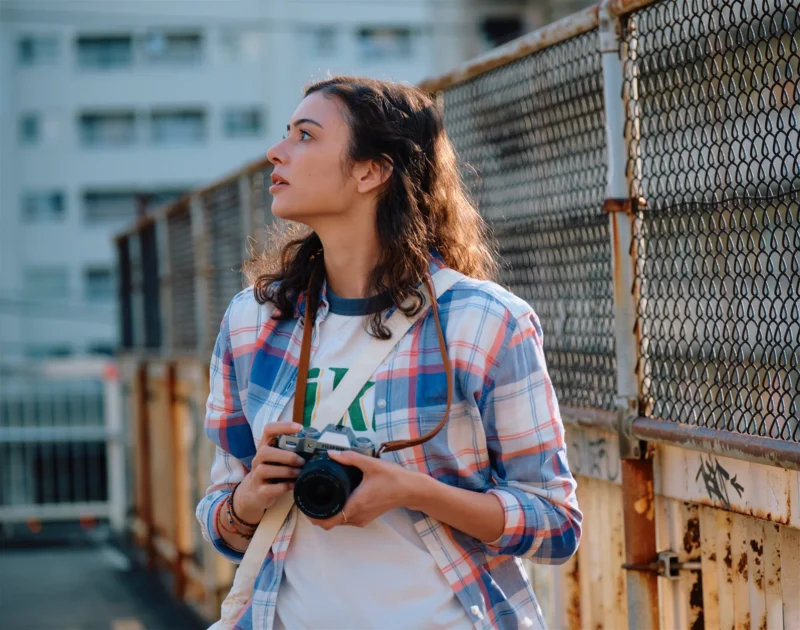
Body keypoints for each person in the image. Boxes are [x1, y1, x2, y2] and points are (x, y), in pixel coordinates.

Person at [196, 76, 581, 630]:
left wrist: (415, 492)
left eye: (306, 136)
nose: (276, 152)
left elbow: (557, 526)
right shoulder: (253, 322)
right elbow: (220, 517)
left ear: (370, 171)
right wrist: (247, 501)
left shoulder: (485, 322)